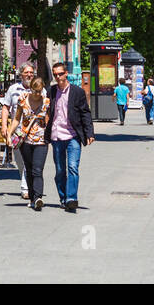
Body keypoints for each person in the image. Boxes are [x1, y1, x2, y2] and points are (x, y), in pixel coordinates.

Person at [46, 61, 94, 212]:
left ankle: (72, 198)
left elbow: (85, 113)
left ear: (66, 73)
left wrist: (89, 133)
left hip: (73, 135)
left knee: (72, 167)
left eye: (60, 74)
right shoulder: (51, 91)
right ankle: (63, 198)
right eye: (55, 75)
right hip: (56, 136)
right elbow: (45, 111)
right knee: (60, 170)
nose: (58, 77)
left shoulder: (77, 92)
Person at [12, 76, 51, 210]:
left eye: (40, 91)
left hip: (41, 141)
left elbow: (49, 120)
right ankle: (33, 198)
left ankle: (38, 197)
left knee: (37, 170)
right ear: (31, 89)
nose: (38, 94)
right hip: (25, 140)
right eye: (35, 91)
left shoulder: (46, 102)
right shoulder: (22, 100)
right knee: (28, 169)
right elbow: (17, 119)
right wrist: (9, 133)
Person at [0, 63, 37, 200]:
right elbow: (6, 108)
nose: (29, 75)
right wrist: (4, 126)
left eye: (31, 72)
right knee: (20, 161)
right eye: (26, 72)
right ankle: (26, 184)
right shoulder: (13, 89)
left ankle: (26, 188)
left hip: (33, 132)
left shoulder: (39, 88)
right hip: (17, 131)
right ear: (21, 74)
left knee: (30, 161)